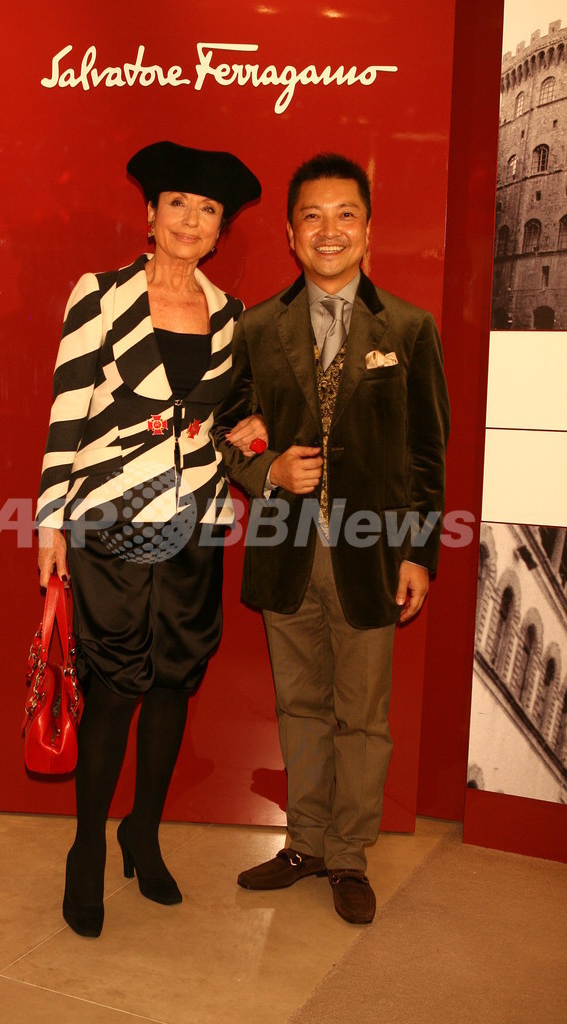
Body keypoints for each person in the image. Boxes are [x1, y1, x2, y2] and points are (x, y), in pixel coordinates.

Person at [215, 153, 450, 925]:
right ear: (290, 233)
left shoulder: (408, 328)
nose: (328, 229)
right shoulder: (256, 328)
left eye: (344, 213)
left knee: (363, 718)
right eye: (311, 216)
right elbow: (223, 434)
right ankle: (304, 844)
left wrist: (418, 554)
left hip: (372, 556)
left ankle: (348, 855)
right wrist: (267, 471)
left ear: (367, 228)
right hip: (284, 550)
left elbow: (427, 455)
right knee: (299, 708)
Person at [36, 140, 261, 937]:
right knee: (116, 682)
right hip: (109, 516)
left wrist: (249, 428)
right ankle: (87, 849)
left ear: (220, 229)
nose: (190, 220)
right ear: (150, 214)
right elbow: (67, 407)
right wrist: (50, 520)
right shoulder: (100, 295)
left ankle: (143, 832)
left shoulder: (230, 315)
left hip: (197, 519)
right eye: (178, 205)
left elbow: (230, 413)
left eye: (207, 211)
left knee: (173, 679)